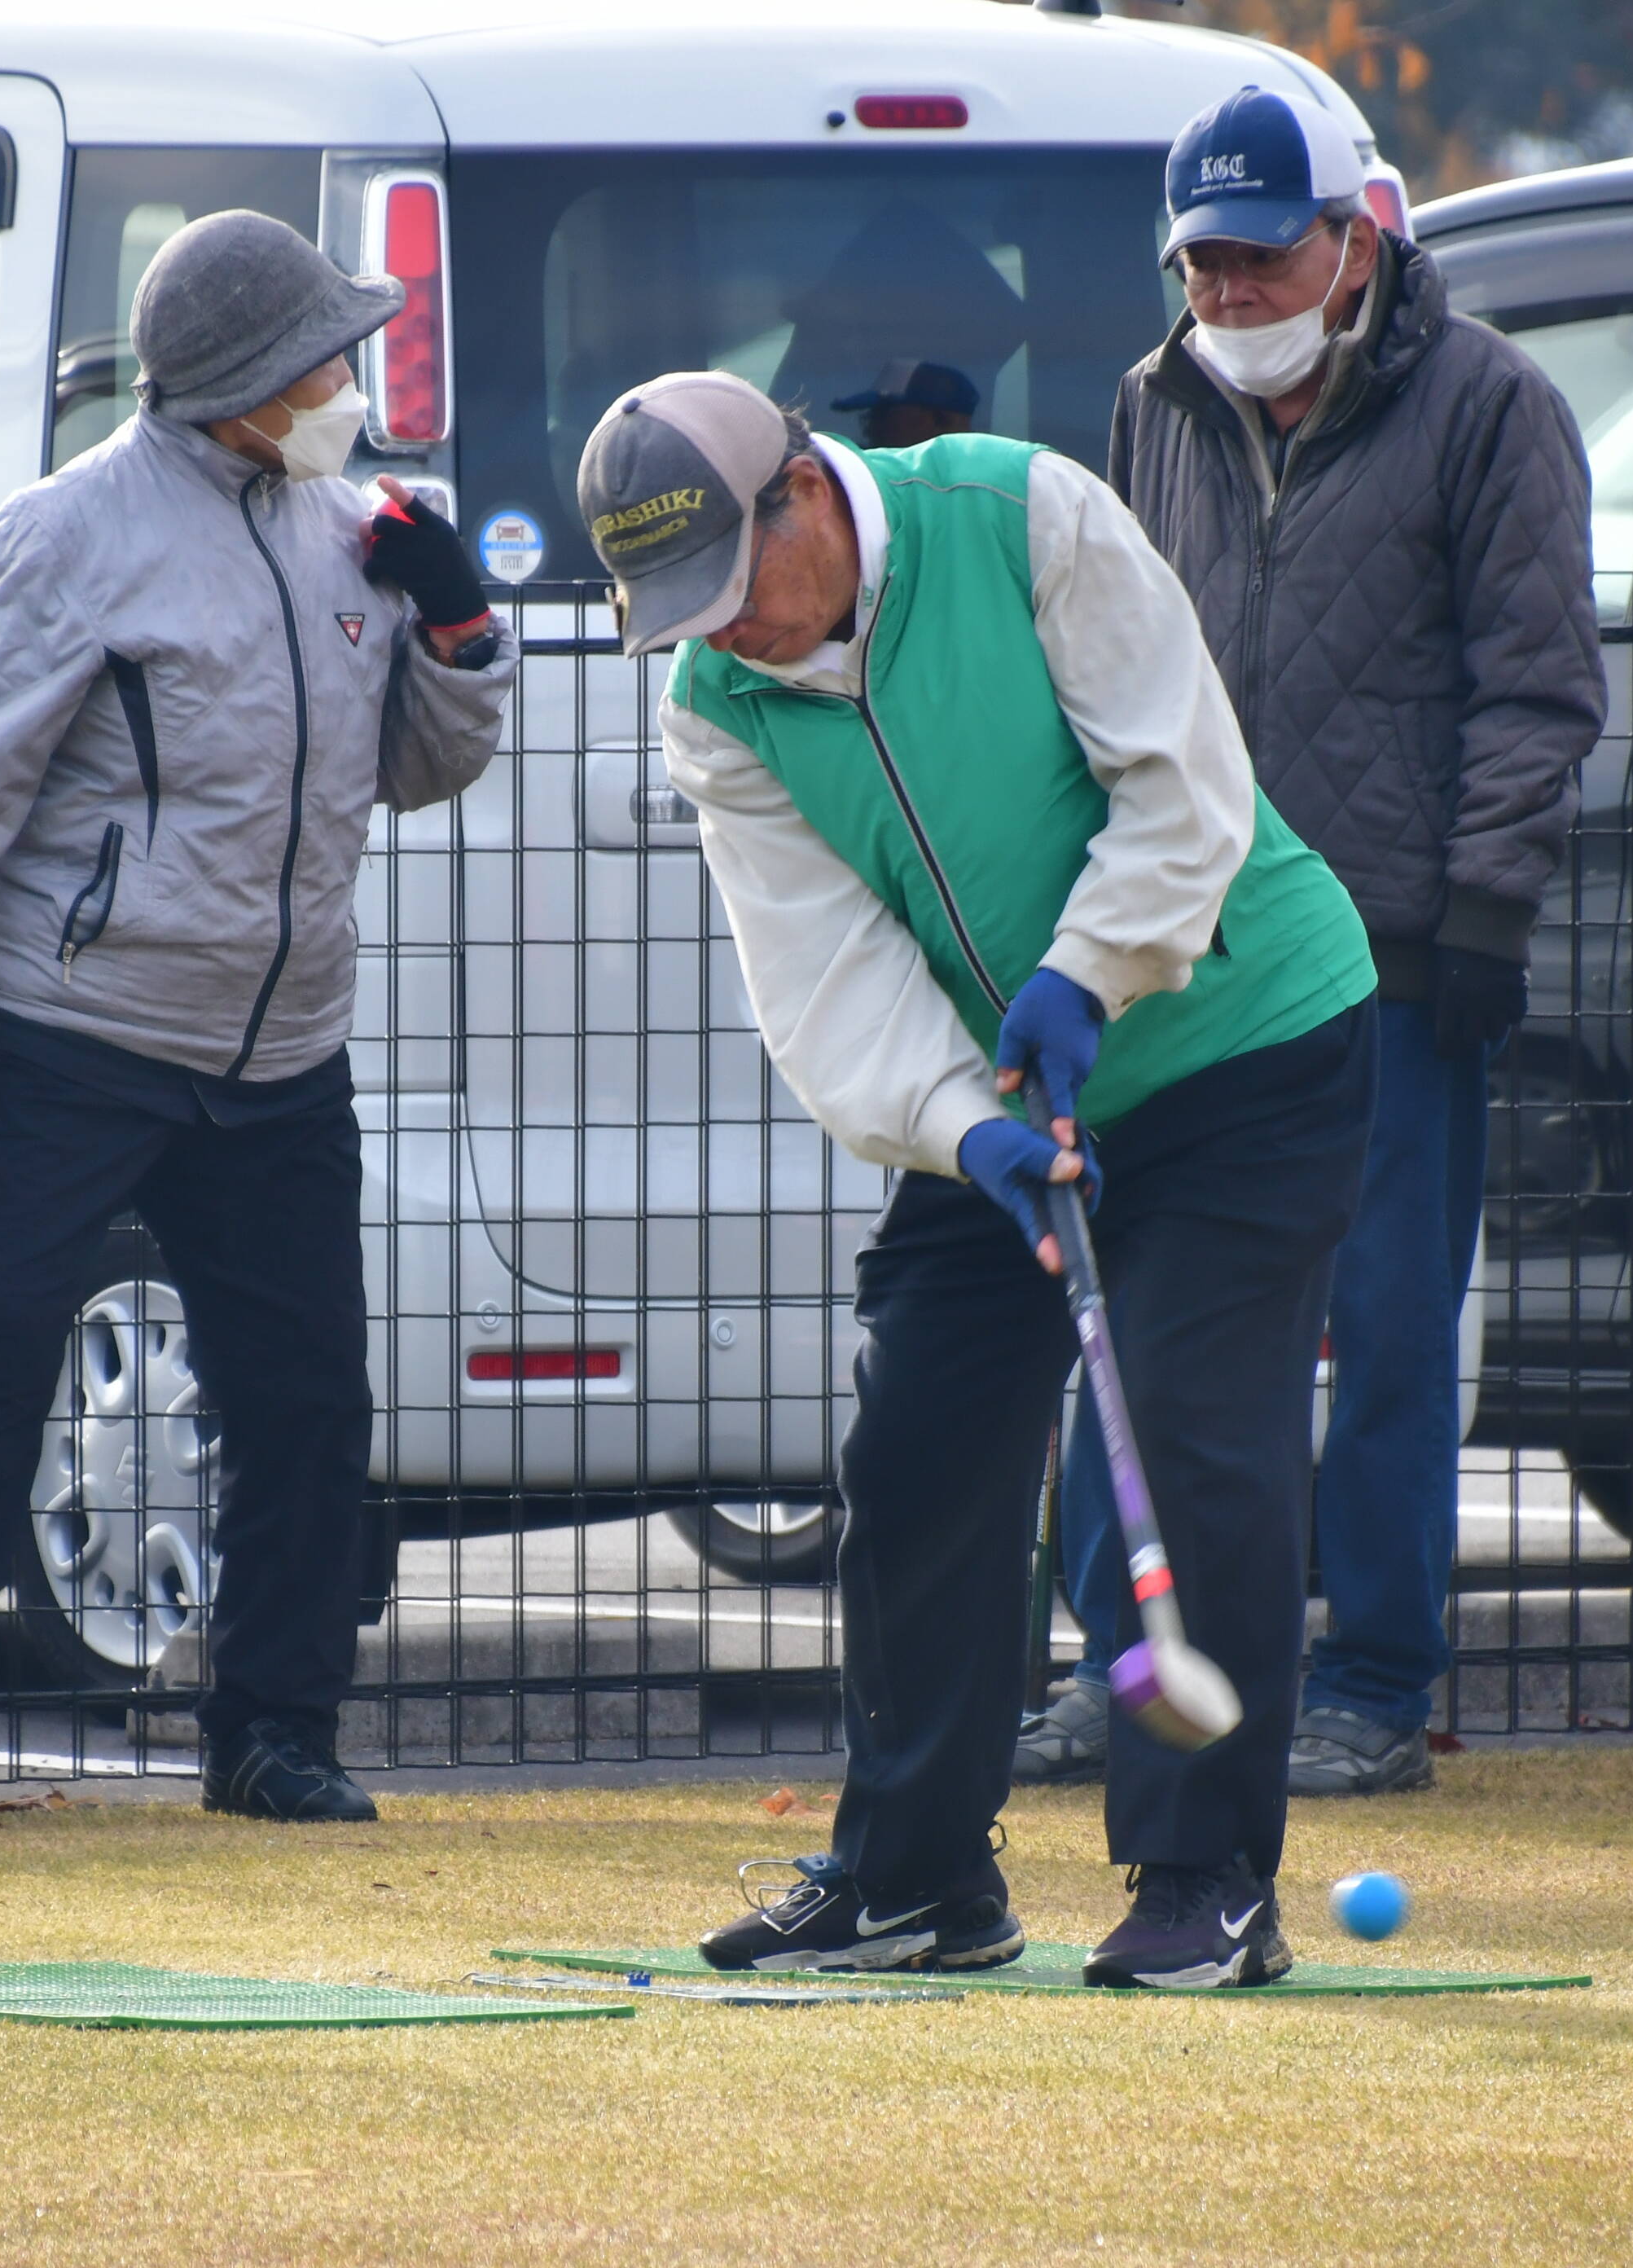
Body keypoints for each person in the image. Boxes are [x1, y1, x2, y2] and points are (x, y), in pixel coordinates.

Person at [582, 369, 1376, 1985]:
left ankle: (1203, 1877)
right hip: (1008, 1095)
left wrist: (1089, 972)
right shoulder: (719, 715)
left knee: (1185, 1426)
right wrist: (969, 1133)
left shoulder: (1019, 517)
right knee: (924, 1436)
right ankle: (916, 1877)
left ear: (801, 492)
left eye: (733, 588)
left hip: (1249, 1046)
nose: (726, 632)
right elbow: (826, 980)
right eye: (684, 614)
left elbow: (1184, 783)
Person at [0, 211, 516, 1827]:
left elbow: (413, 767)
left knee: (306, 1399)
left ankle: (275, 1733)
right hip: (64, 1031)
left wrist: (463, 633)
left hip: (283, 1051)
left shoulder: (360, 531)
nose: (354, 378)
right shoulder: (75, 531)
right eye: (331, 354)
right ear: (246, 384)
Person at [1016, 83, 1597, 1801]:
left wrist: (1485, 911)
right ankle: (1124, 1659)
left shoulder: (1494, 407)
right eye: (1204, 266)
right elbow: (1105, 683)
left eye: (1265, 260)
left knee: (1393, 1330)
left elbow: (1536, 687)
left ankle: (1372, 1677)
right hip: (1184, 954)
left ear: (1354, 244)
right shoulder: (1149, 405)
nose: (1233, 298)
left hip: (1400, 964)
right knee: (1137, 1326)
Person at [832, 358, 981, 451]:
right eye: (869, 416)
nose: (869, 429)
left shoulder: (976, 486)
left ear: (938, 420)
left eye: (882, 413)